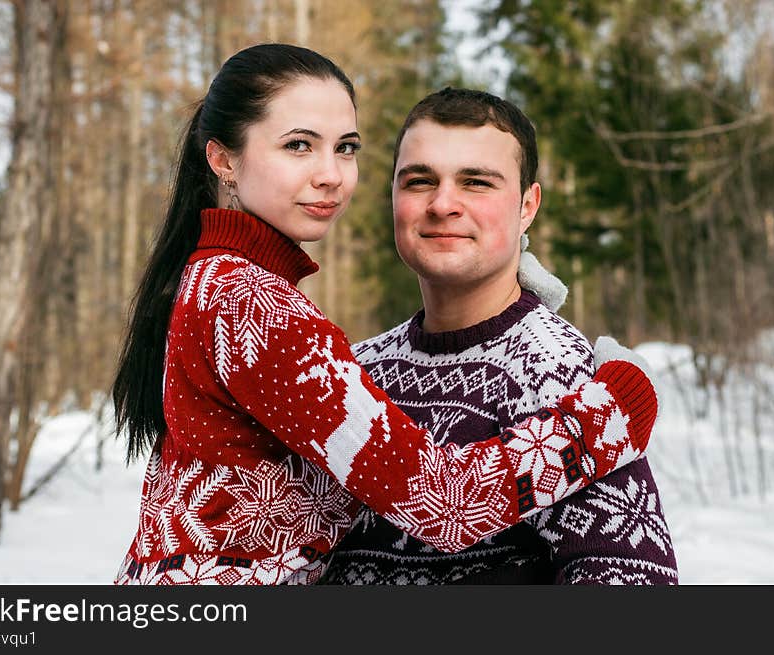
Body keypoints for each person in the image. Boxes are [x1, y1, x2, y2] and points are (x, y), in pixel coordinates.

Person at [112, 44, 661, 586]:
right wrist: (615, 411)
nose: (330, 174)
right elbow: (446, 506)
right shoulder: (254, 306)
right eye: (299, 145)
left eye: (345, 148)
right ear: (224, 159)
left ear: (527, 206)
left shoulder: (214, 285)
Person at [319, 87, 678, 585]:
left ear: (528, 205)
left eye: (477, 182)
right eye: (420, 180)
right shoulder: (356, 369)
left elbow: (631, 580)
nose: (443, 204)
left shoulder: (558, 372)